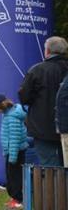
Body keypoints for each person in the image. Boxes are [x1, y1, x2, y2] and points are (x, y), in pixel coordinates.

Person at [19, 36, 68, 166]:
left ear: (47, 51)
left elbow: (24, 97)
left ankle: (54, 180)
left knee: (49, 165)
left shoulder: (37, 70)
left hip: (42, 126)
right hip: (65, 125)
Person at [0, 93, 28, 210]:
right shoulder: (7, 114)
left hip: (15, 152)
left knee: (14, 176)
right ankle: (14, 198)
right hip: (12, 151)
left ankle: (17, 199)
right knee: (11, 175)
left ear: (0, 106)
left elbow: (14, 138)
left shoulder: (12, 117)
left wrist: (12, 156)